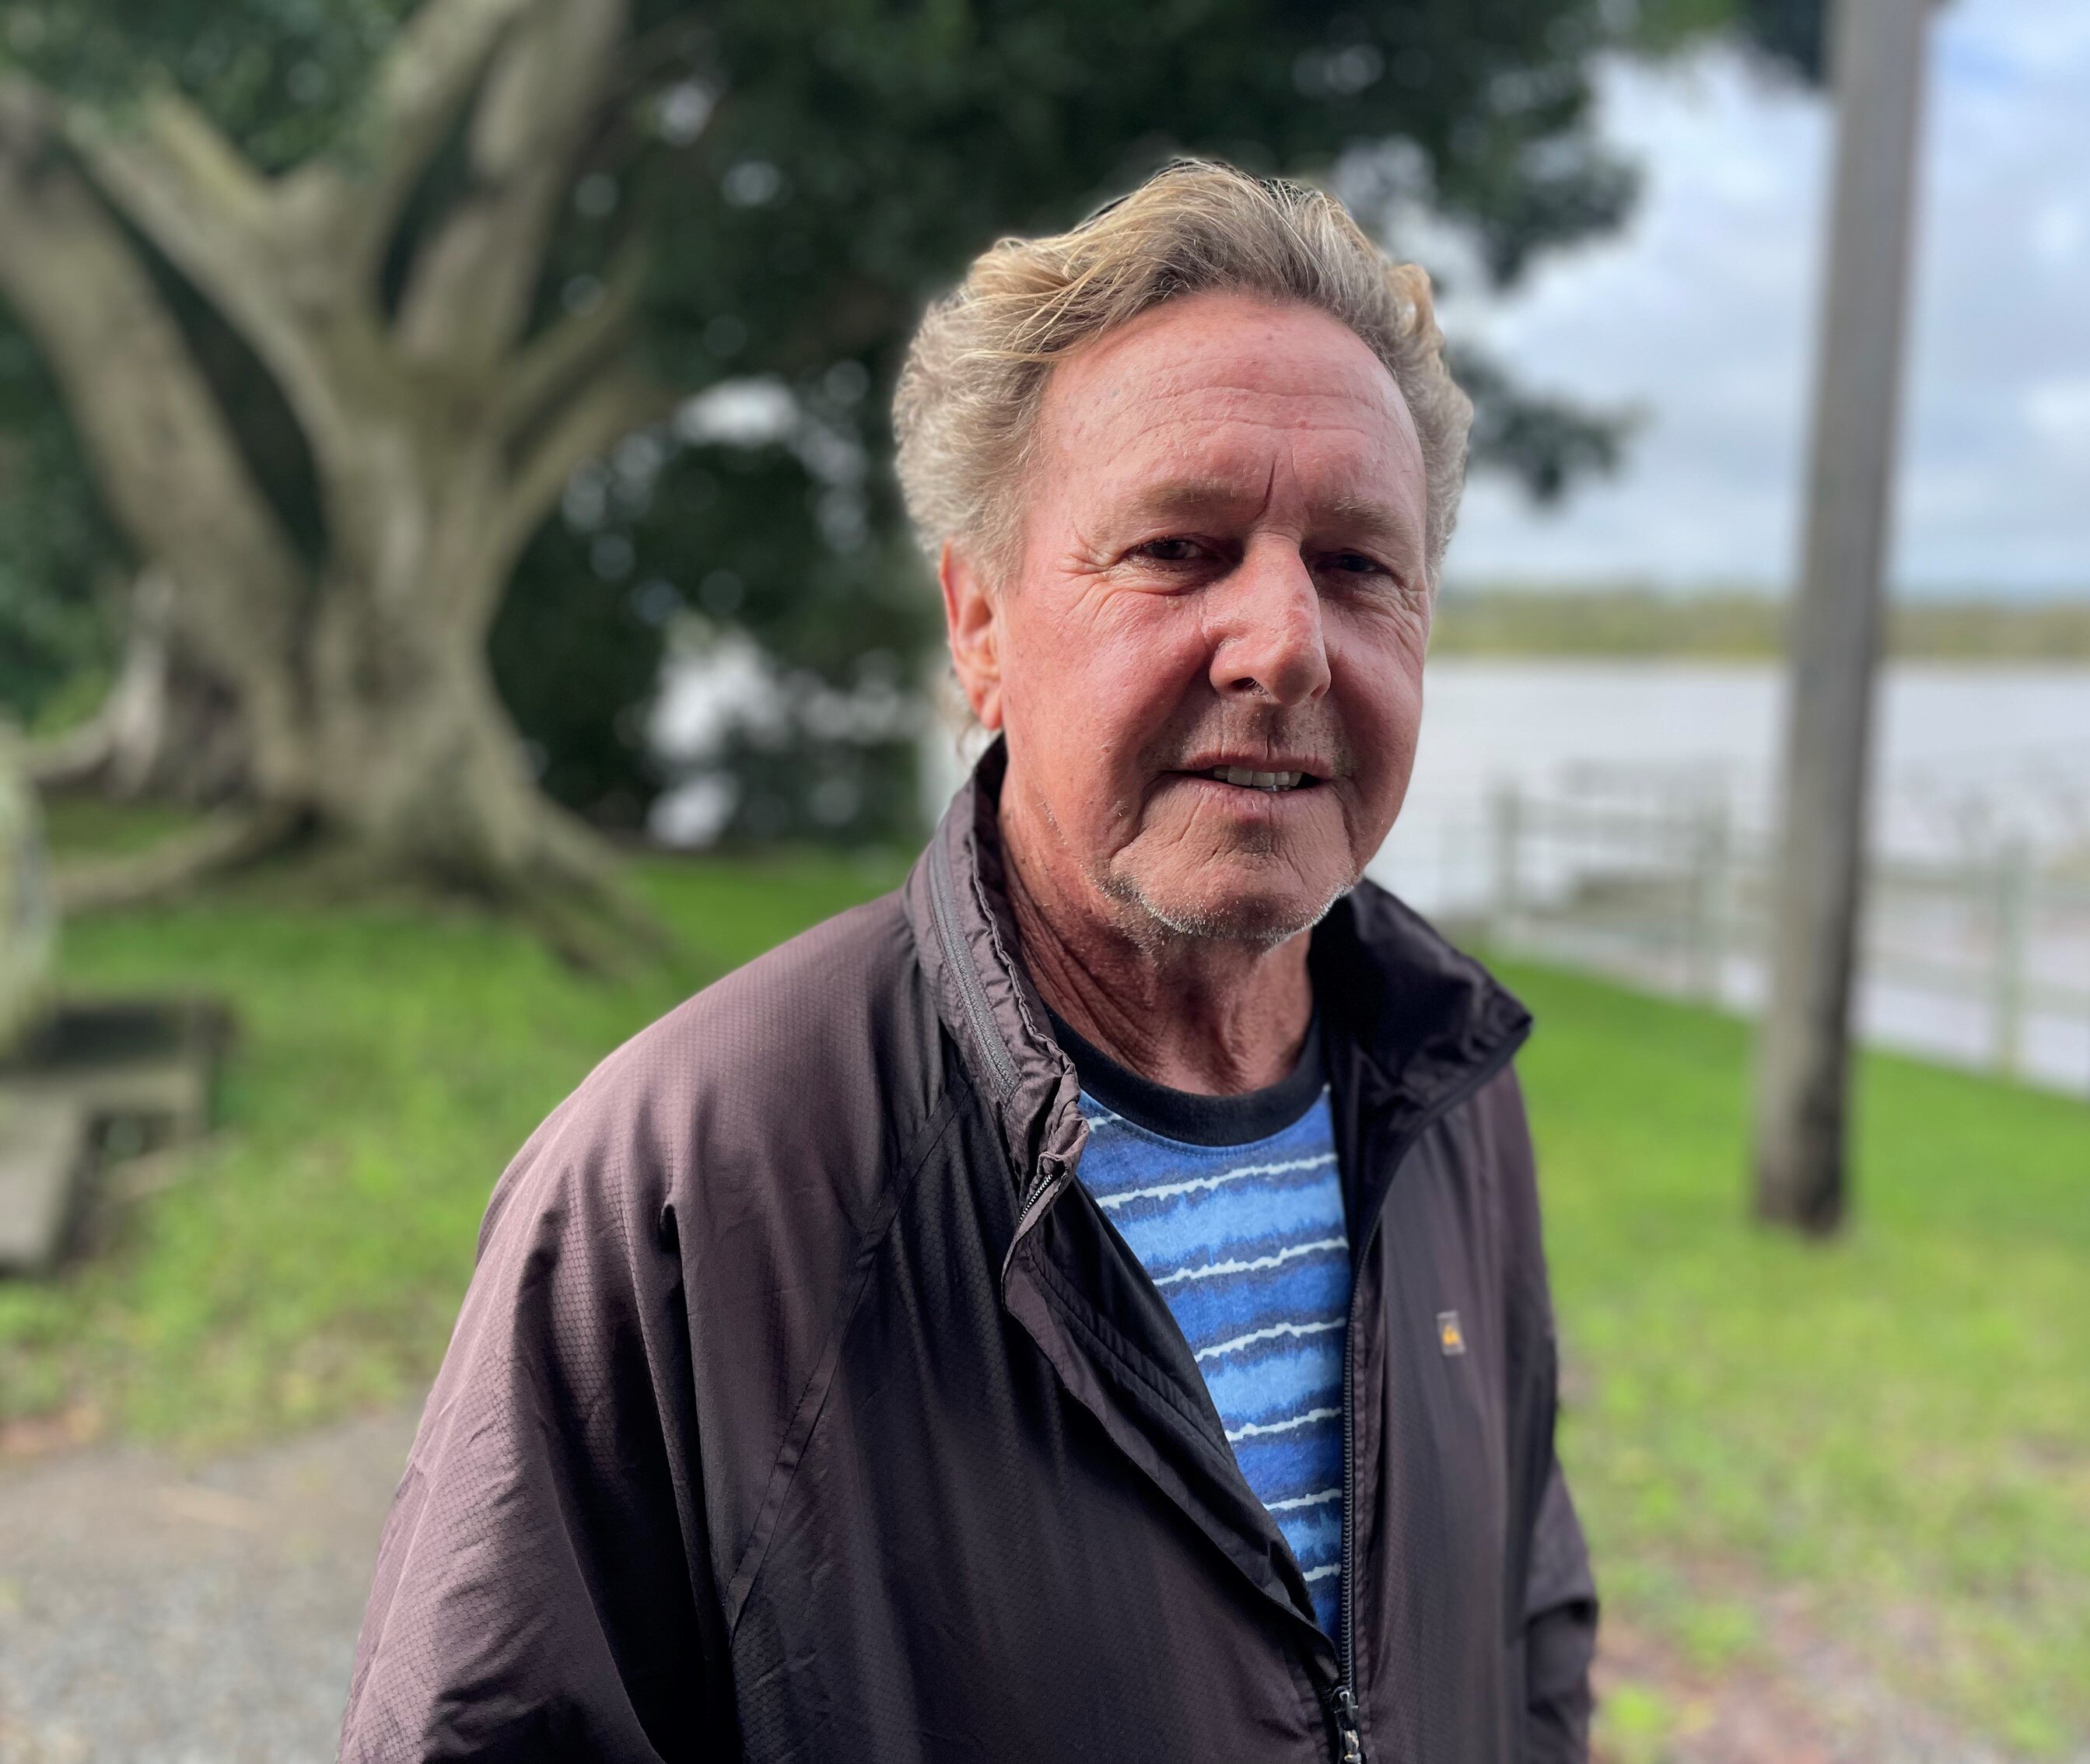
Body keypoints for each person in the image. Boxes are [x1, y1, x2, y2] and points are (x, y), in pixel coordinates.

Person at [341, 159, 1597, 1764]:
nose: (1283, 641)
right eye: (1180, 548)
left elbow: (1526, 1629)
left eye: (1359, 565)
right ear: (981, 624)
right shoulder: (687, 1186)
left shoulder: (1446, 1095)